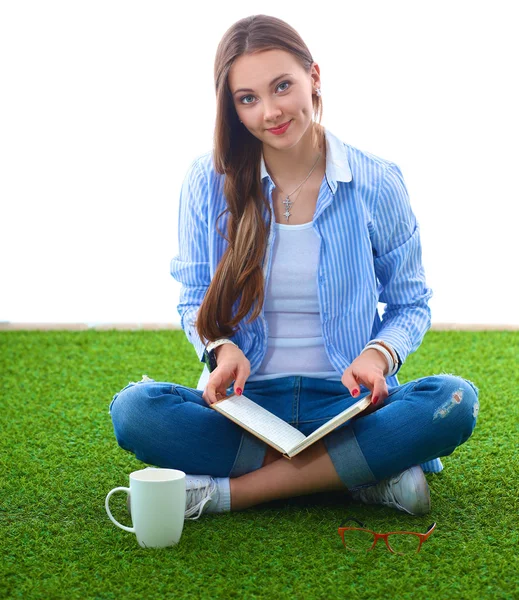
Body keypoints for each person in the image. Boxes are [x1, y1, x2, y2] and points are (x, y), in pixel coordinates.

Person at [109, 14, 479, 520]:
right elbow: (193, 292)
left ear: (315, 78)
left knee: (455, 400)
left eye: (283, 86)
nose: (271, 111)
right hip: (248, 408)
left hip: (350, 406)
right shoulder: (207, 180)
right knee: (135, 412)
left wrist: (377, 354)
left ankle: (227, 494)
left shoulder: (377, 182)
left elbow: (410, 302)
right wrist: (222, 349)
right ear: (232, 108)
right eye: (248, 98)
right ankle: (362, 475)